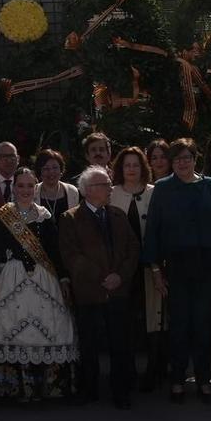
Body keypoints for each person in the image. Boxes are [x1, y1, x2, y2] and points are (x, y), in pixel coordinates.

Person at [142, 139, 211, 402]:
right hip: (176, 266)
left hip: (207, 265)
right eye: (177, 158)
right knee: (180, 324)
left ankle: (204, 378)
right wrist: (156, 270)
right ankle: (178, 379)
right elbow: (154, 230)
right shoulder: (163, 188)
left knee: (203, 324)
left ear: (195, 159)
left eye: (187, 157)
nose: (182, 162)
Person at [0, 169, 77, 402]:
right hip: (11, 279)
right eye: (21, 186)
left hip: (43, 280)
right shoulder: (2, 216)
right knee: (6, 329)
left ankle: (46, 387)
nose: (25, 190)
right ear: (13, 188)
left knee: (51, 330)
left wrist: (63, 278)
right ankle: (11, 388)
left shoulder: (44, 216)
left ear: (36, 188)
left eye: (30, 186)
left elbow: (54, 251)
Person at [60, 166, 138, 408]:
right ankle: (89, 388)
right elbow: (72, 256)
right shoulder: (71, 218)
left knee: (120, 343)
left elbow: (133, 249)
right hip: (89, 293)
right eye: (105, 184)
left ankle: (121, 391)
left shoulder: (118, 215)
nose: (110, 188)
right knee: (89, 343)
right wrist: (102, 277)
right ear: (88, 190)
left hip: (118, 291)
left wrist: (120, 276)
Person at [110, 146, 167, 392]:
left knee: (155, 320)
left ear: (143, 167)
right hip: (123, 269)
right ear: (120, 169)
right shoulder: (111, 194)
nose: (131, 169)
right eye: (127, 165)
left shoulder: (155, 192)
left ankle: (154, 372)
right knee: (127, 321)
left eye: (135, 164)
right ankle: (128, 372)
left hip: (151, 267)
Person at [35, 149, 75, 216]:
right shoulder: (33, 192)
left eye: (55, 167)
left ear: (61, 170)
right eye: (46, 168)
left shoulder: (72, 191)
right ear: (40, 171)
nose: (51, 172)